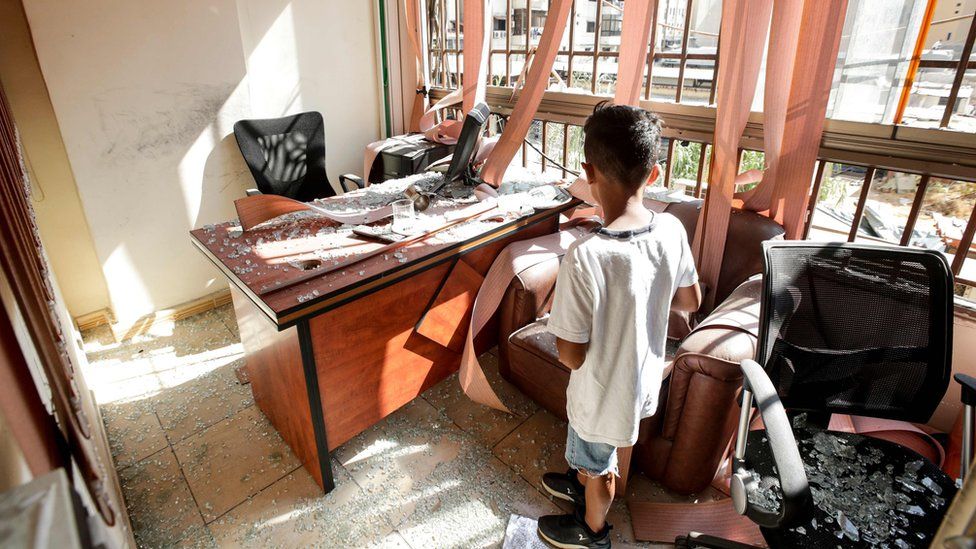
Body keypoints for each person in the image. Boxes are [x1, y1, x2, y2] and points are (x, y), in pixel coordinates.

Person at [537, 102, 702, 548]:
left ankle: (592, 532)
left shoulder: (585, 256)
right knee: (589, 450)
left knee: (600, 465)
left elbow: (571, 355)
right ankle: (579, 483)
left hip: (601, 392)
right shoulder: (670, 229)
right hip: (641, 378)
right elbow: (690, 300)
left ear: (589, 172)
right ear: (652, 174)